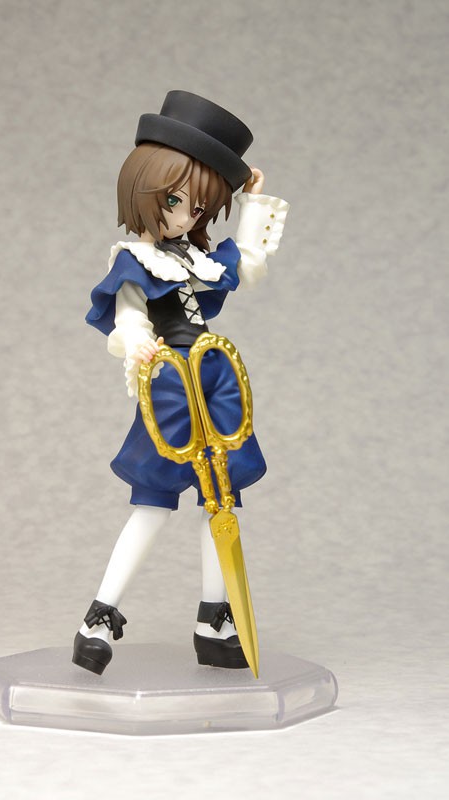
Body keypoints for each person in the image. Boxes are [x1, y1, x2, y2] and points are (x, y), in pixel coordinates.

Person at [73, 91, 289, 675]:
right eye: (175, 201)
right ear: (144, 191)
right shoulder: (134, 261)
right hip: (171, 383)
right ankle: (99, 618)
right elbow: (127, 317)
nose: (185, 216)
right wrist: (138, 342)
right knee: (152, 502)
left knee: (221, 499)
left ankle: (214, 622)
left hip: (215, 379)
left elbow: (246, 265)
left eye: (198, 207)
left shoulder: (194, 259)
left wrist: (250, 202)